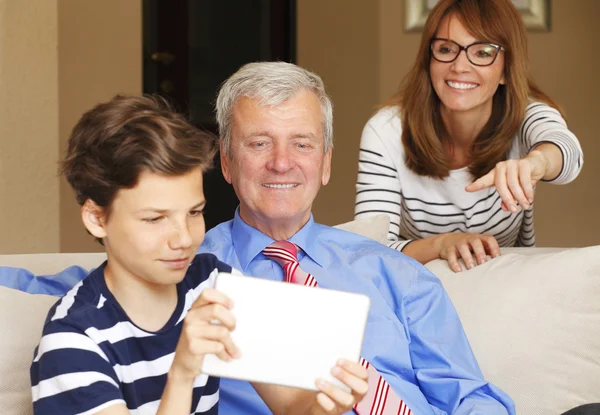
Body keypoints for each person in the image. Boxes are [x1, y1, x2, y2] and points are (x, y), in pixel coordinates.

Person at [30, 94, 368, 415]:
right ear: (97, 218)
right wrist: (183, 373)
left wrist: (324, 405)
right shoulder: (71, 341)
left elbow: (290, 407)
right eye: (155, 218)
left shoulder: (212, 284)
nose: (183, 239)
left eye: (194, 213)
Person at [354, 0, 583, 272]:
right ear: (429, 60)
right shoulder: (386, 131)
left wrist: (536, 163)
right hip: (413, 294)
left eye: (483, 52)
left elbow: (566, 152)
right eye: (446, 49)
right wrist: (441, 245)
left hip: (503, 290)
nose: (460, 66)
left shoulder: (526, 116)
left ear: (506, 70)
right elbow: (369, 251)